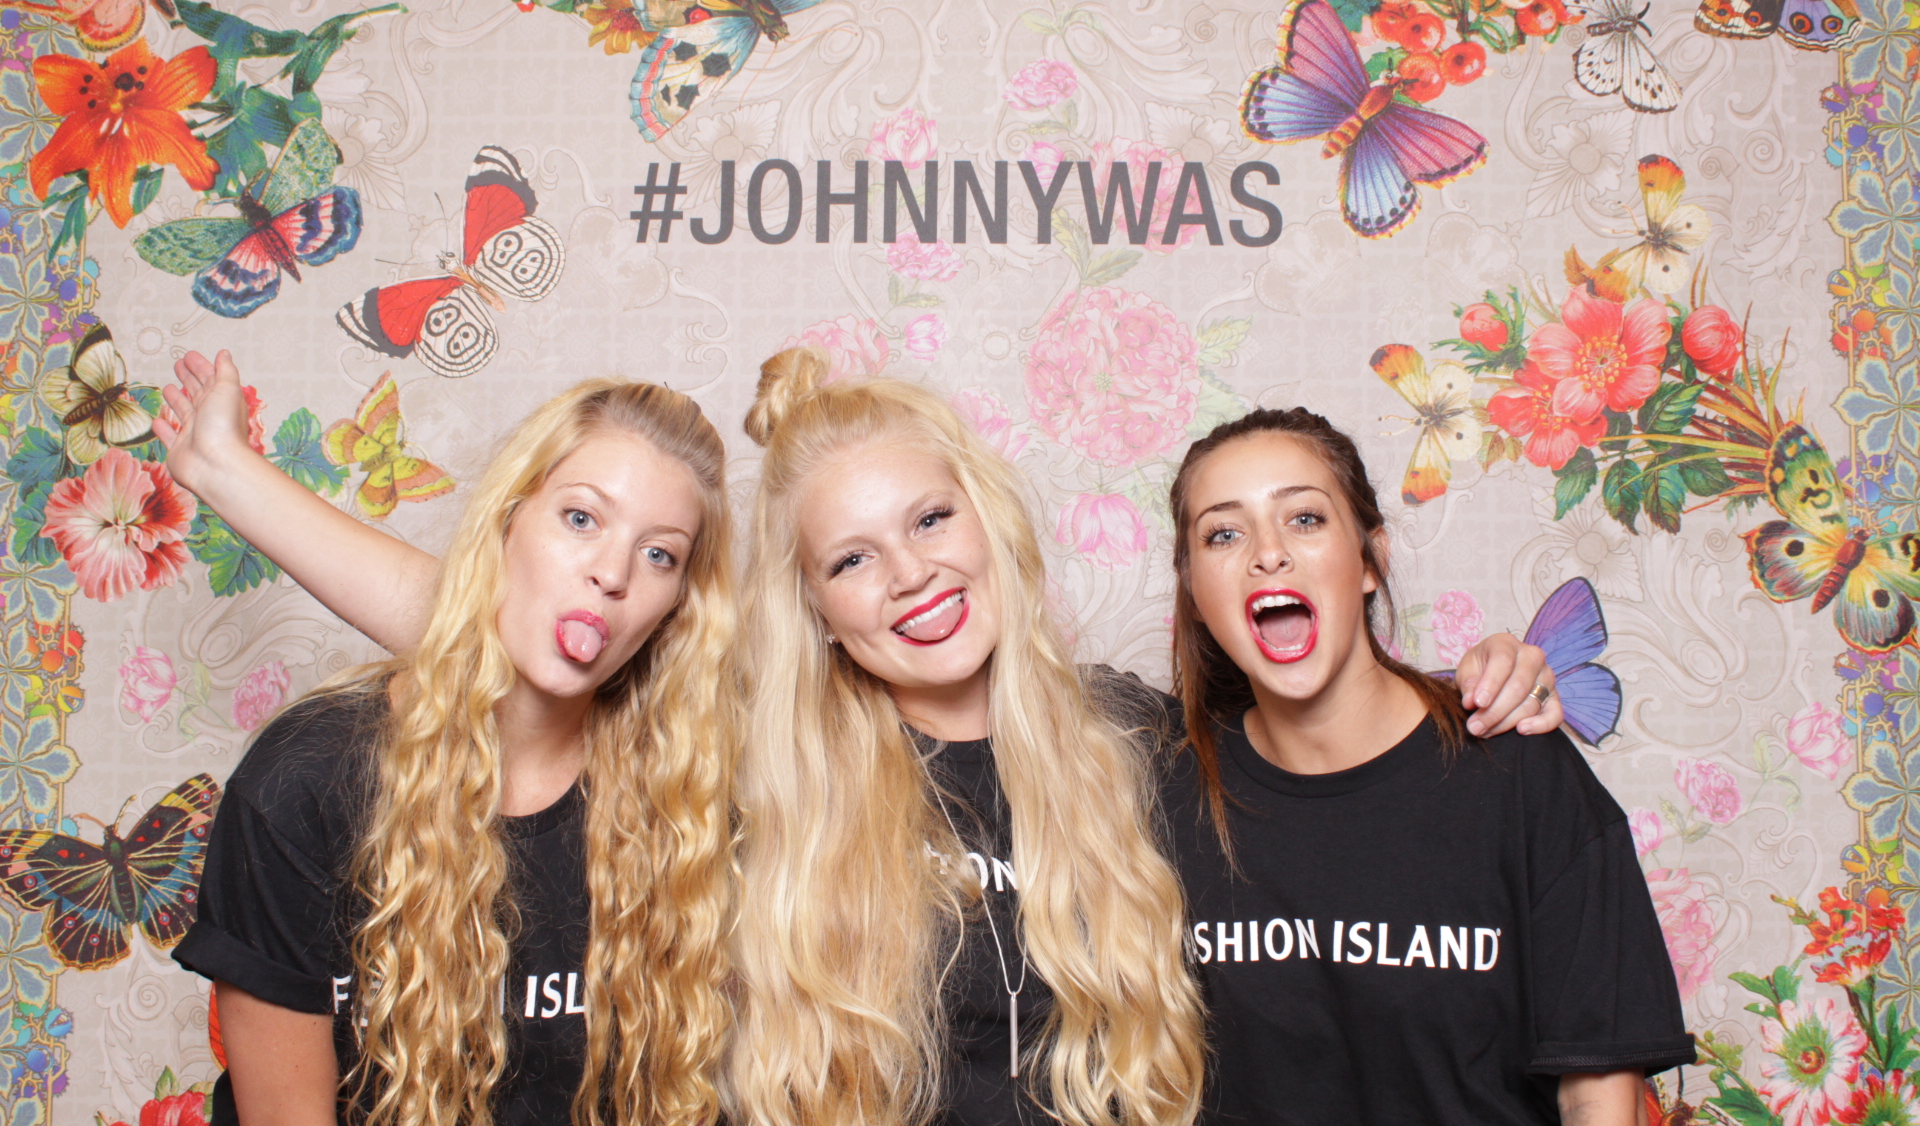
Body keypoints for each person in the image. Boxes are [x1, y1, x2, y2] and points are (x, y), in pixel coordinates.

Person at [723, 349, 1565, 1126]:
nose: (911, 573)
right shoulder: (778, 801)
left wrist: (1483, 685)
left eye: (931, 519)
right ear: (815, 610)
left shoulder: (1138, 739)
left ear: (988, 519)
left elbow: (1327, 741)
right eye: (851, 561)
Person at [161, 355, 736, 1126]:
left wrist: (225, 469)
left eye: (659, 553)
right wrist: (222, 466)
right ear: (507, 521)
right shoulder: (305, 784)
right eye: (580, 518)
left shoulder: (686, 793)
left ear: (677, 608)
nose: (612, 574)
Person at [1163, 406, 1694, 1126]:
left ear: (1371, 561)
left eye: (1305, 519)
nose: (1268, 554)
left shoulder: (1518, 770)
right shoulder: (1163, 791)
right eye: (1224, 534)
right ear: (1195, 593)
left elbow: (1598, 1092)